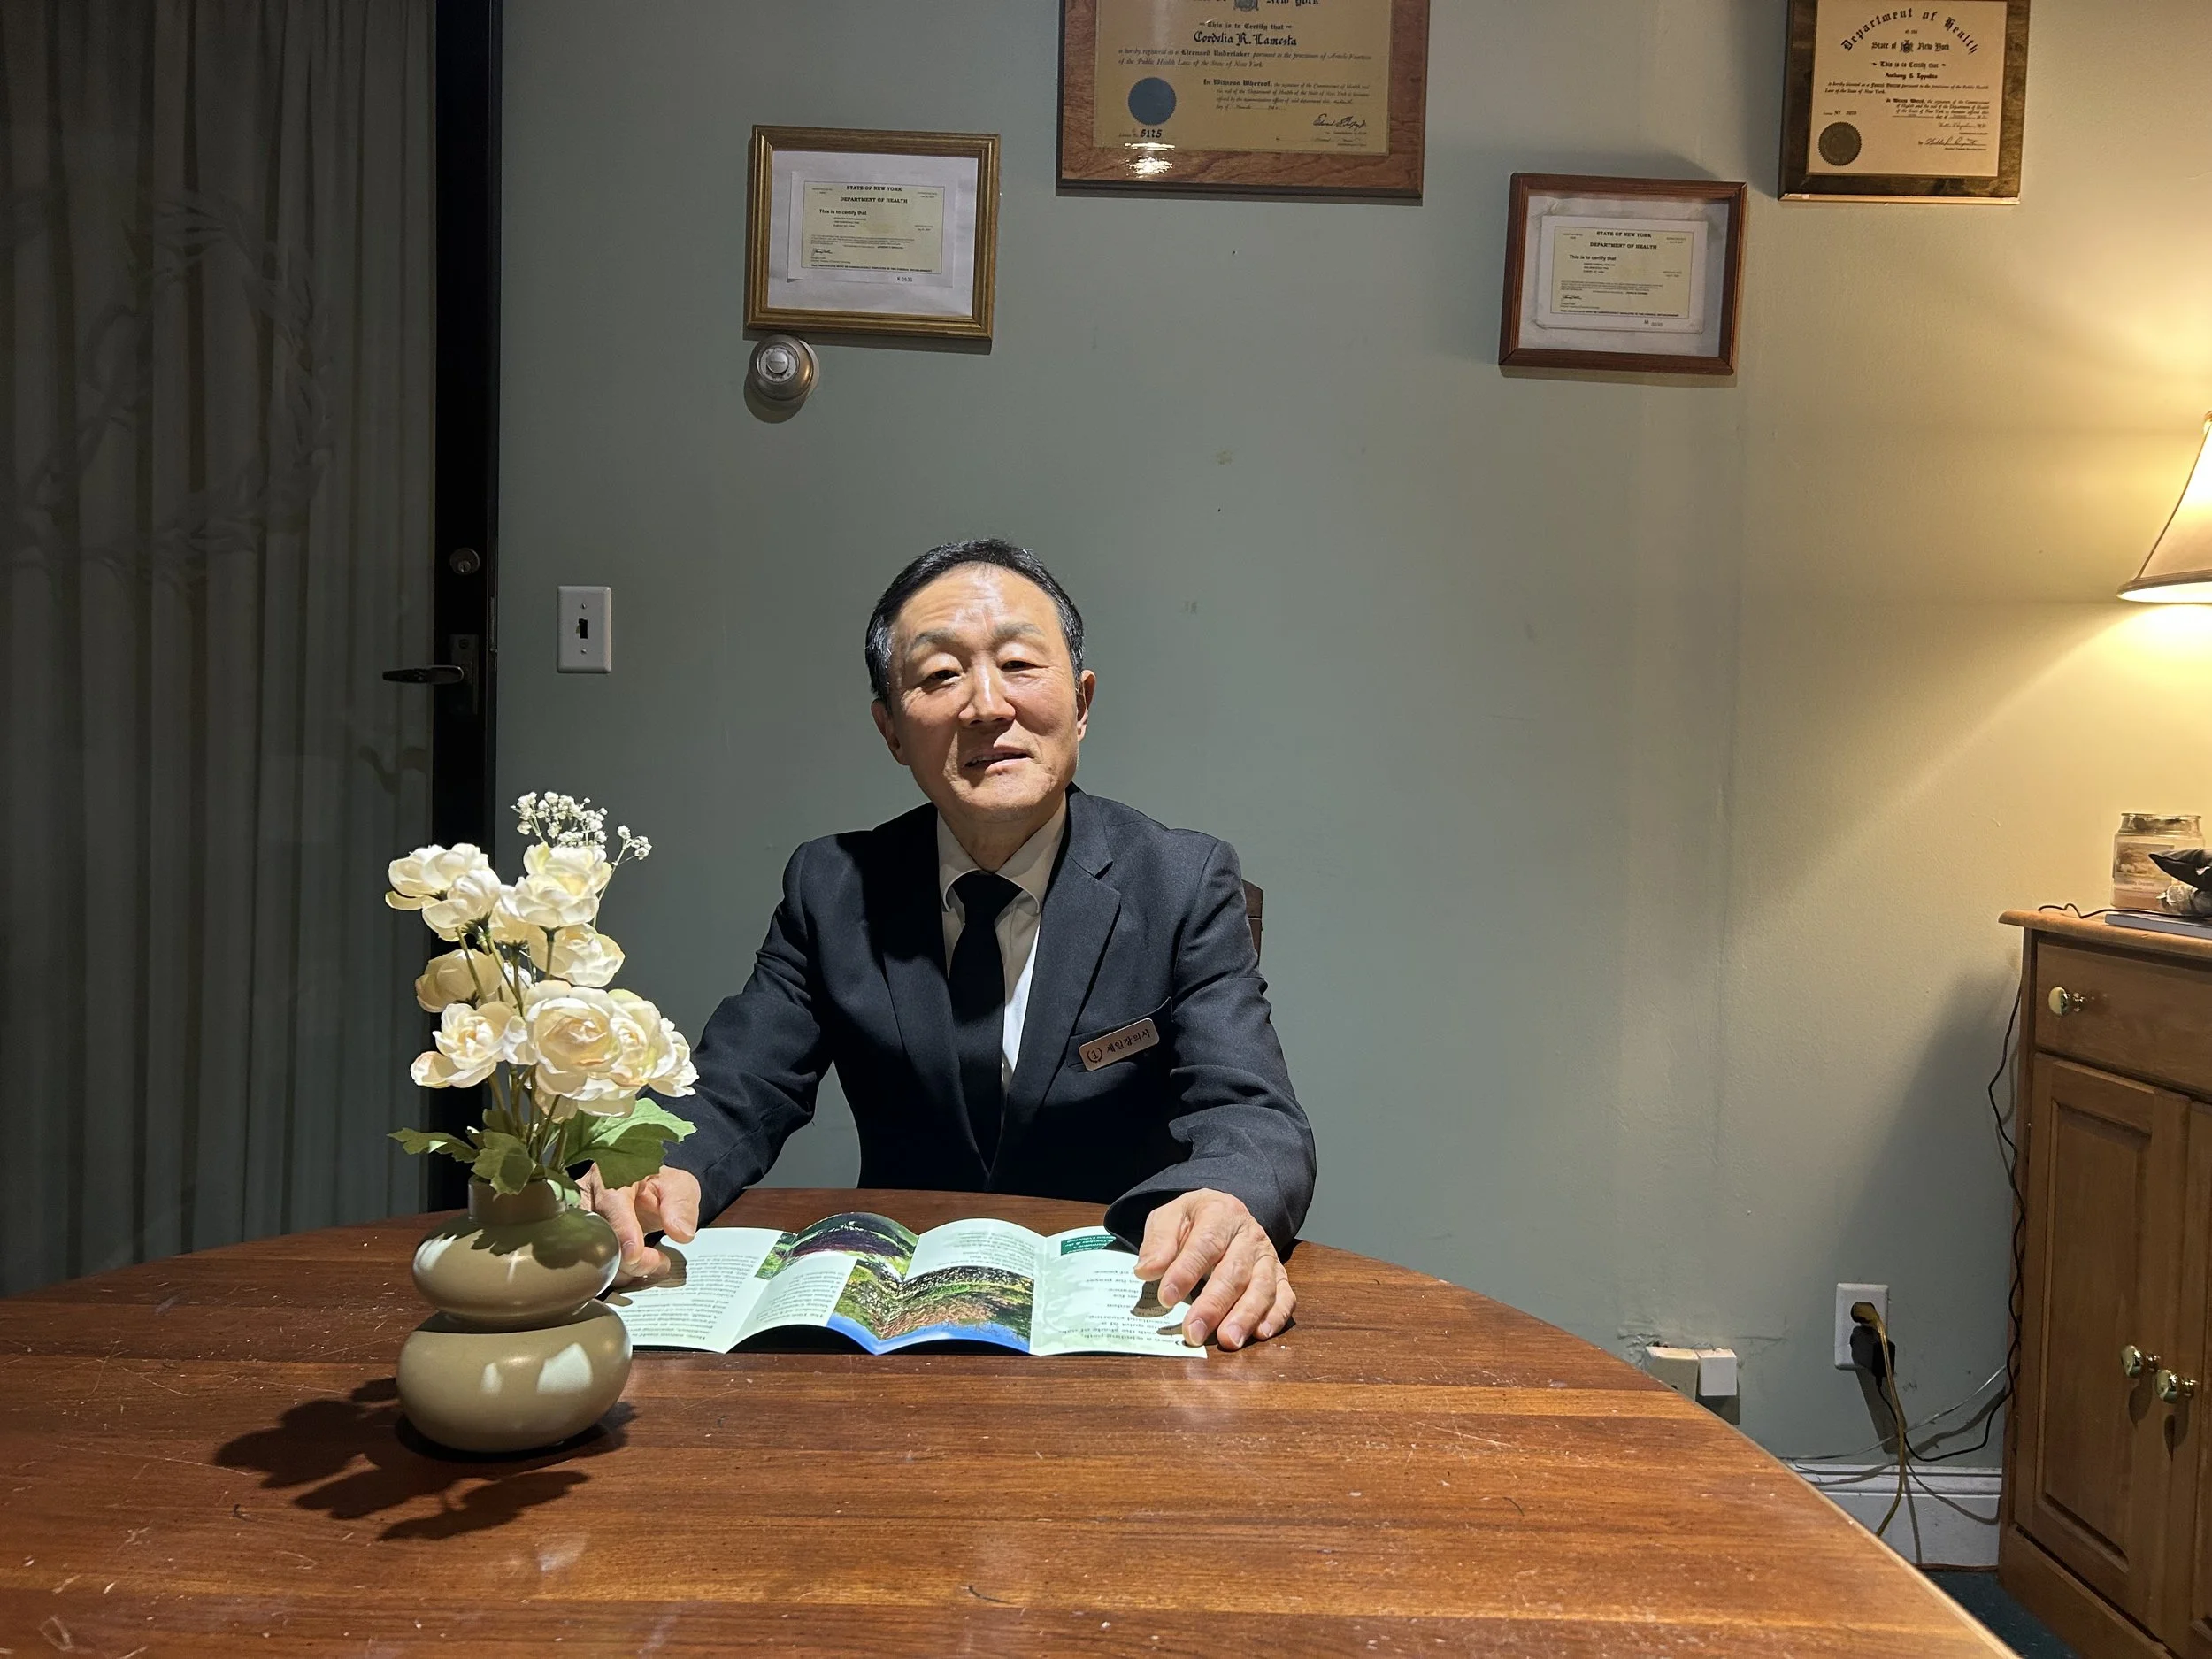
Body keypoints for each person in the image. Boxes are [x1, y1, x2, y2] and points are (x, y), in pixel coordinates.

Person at [581, 540, 1316, 1349]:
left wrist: (1226, 1198)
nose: (987, 706)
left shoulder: (1180, 880)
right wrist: (651, 1166)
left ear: (1082, 701)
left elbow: (1251, 1110)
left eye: (1020, 664)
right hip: (895, 1328)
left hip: (1120, 1306)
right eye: (938, 677)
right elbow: (737, 1082)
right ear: (891, 729)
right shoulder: (832, 886)